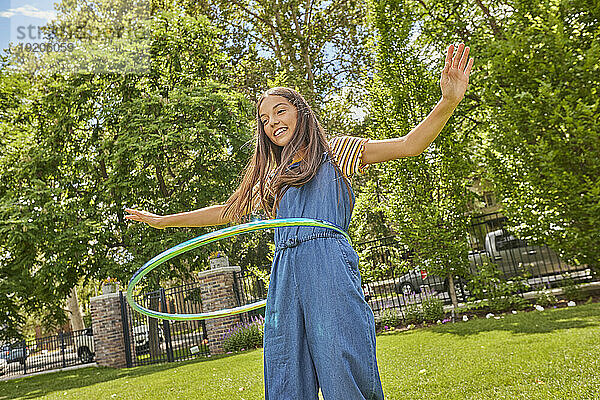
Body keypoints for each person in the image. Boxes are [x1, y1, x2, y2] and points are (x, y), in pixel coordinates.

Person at [126, 43, 473, 399]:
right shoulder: (272, 180)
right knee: (285, 369)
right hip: (285, 270)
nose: (272, 122)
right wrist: (164, 221)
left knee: (341, 359)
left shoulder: (337, 152)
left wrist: (447, 101)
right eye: (264, 119)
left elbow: (409, 145)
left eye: (280, 111)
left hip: (328, 263)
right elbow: (227, 212)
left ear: (300, 113)